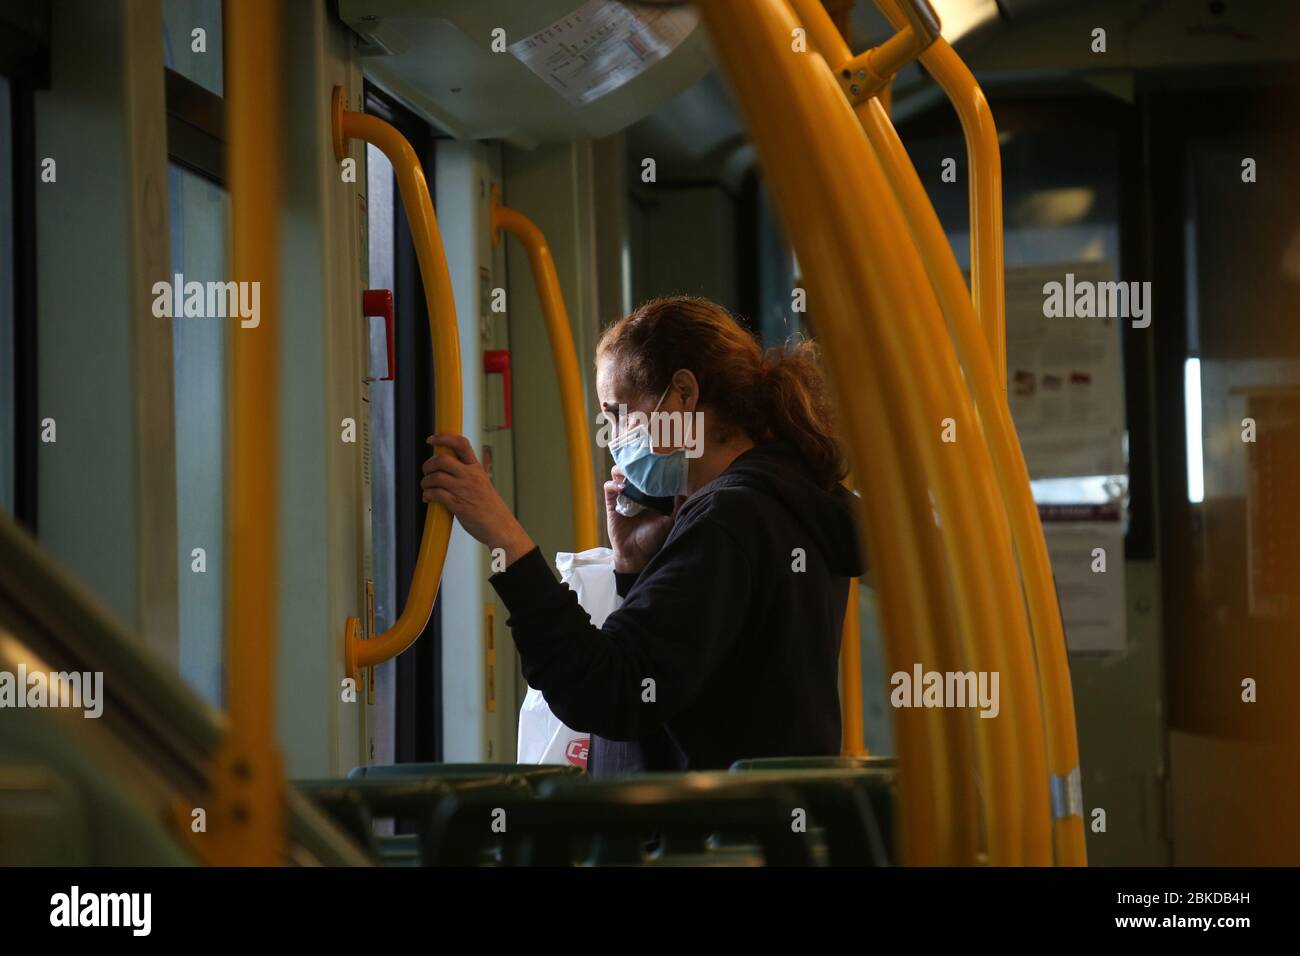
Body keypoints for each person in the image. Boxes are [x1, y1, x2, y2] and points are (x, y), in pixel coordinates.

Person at [421, 295, 864, 775]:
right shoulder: (784, 500)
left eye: (619, 414)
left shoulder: (728, 519)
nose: (614, 439)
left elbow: (611, 693)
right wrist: (634, 568)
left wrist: (506, 539)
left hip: (703, 839)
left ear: (683, 395)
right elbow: (688, 680)